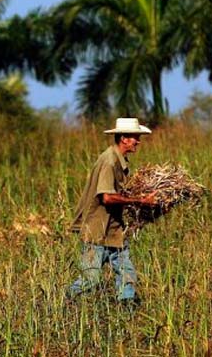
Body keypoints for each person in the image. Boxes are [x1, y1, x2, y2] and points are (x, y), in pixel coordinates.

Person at [66, 117, 158, 304]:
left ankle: (127, 311)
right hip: (97, 231)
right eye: (135, 137)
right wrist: (141, 201)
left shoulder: (119, 160)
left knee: (127, 275)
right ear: (124, 138)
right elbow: (106, 197)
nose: (138, 141)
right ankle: (62, 301)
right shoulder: (109, 162)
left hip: (114, 230)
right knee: (89, 280)